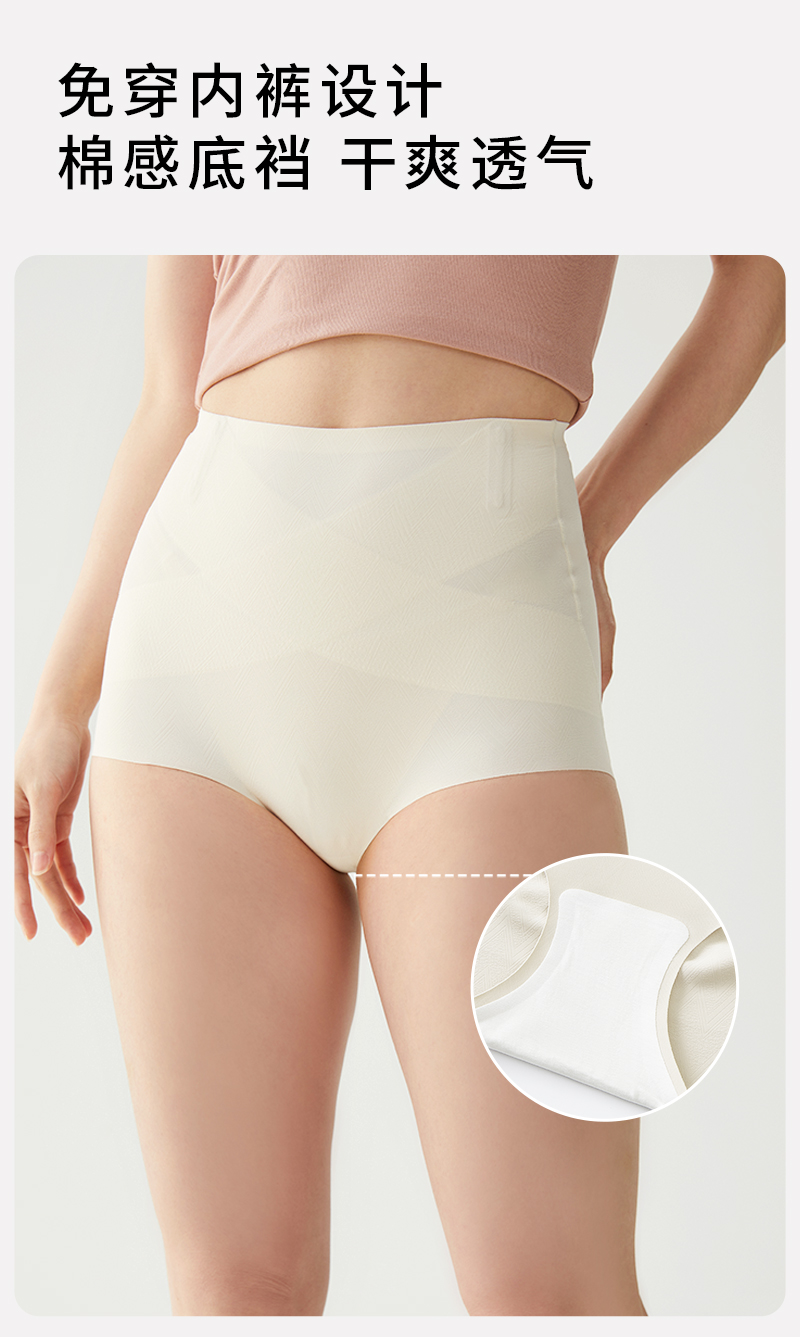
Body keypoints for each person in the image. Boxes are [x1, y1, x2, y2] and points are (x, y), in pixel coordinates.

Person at [14, 255, 785, 1317]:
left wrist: (591, 520)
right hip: (192, 661)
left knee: (557, 1294)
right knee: (237, 1291)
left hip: (486, 643)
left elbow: (762, 283)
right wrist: (61, 701)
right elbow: (166, 396)